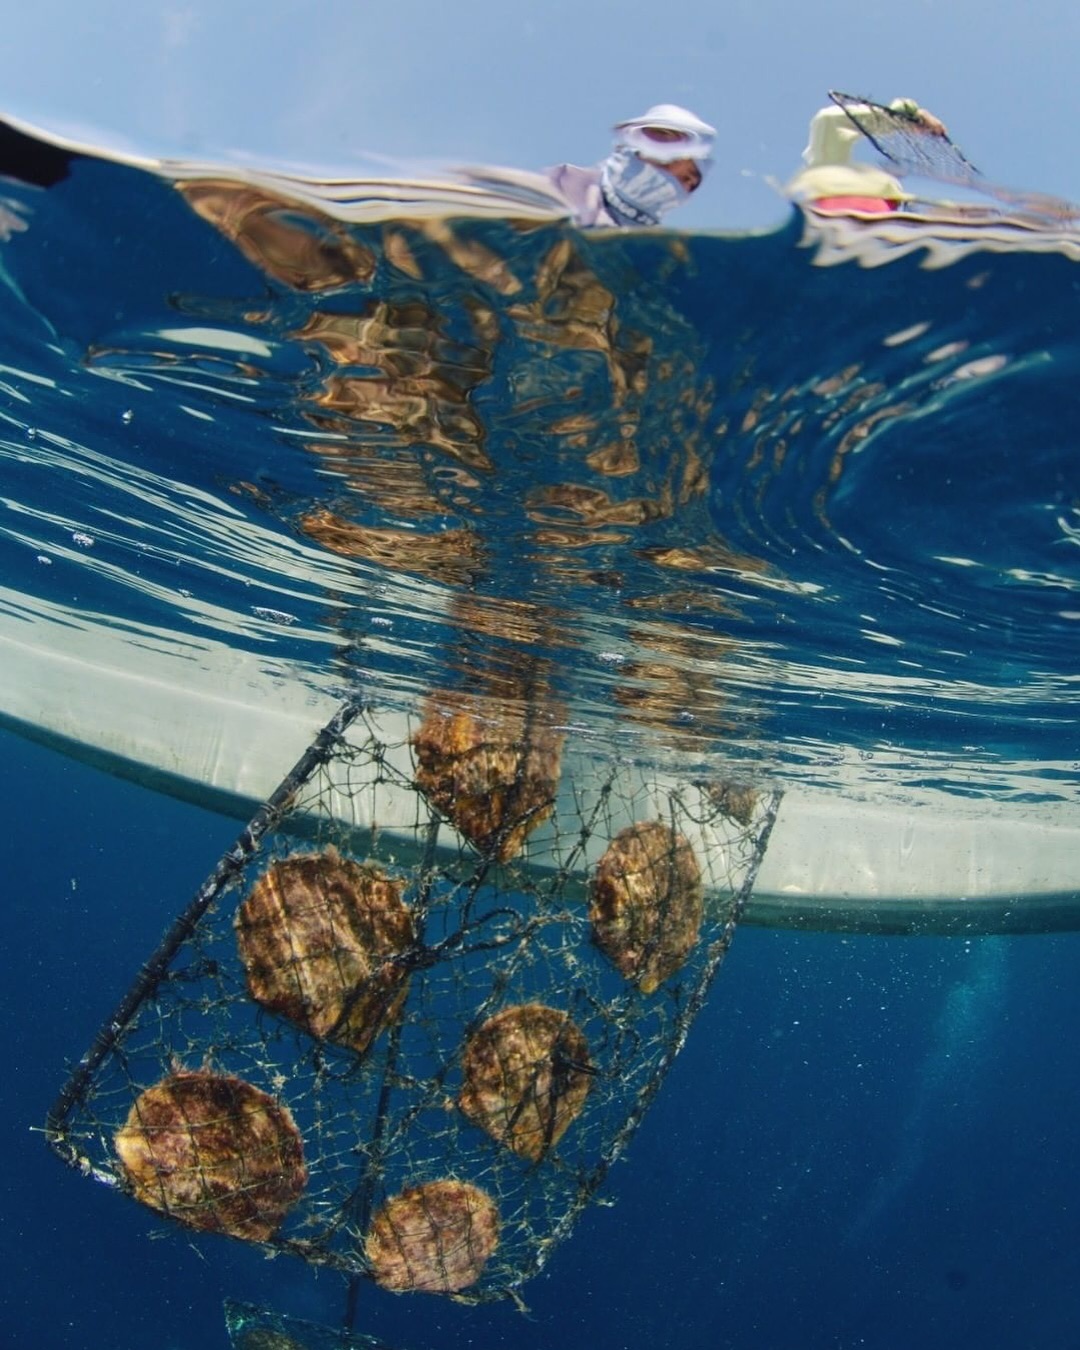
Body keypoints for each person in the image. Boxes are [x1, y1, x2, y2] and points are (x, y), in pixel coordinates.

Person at [546, 104, 716, 227]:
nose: (671, 174)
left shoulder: (662, 256)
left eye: (688, 179)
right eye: (659, 142)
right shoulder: (563, 182)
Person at [787, 96, 948, 215]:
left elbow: (829, 121)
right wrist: (905, 117)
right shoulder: (828, 176)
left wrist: (907, 116)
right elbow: (828, 121)